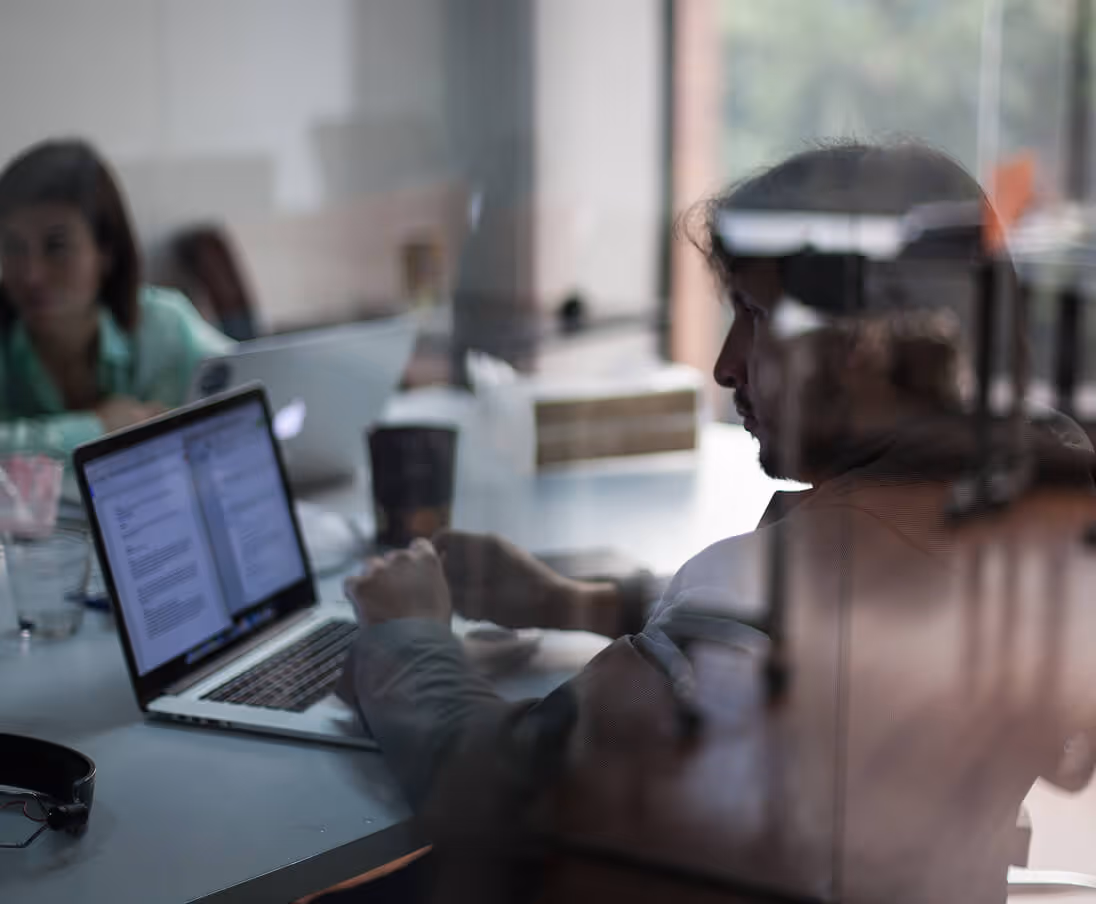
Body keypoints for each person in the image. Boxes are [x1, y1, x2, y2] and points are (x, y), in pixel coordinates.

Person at [338, 142, 1096, 904]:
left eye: (757, 317)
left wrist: (407, 637)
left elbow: (501, 789)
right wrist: (571, 601)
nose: (727, 365)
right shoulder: (1032, 509)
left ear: (860, 348)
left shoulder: (780, 587)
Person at [0, 139, 234, 455]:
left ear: (106, 250)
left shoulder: (163, 325)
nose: (31, 274)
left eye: (56, 247)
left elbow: (257, 388)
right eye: (13, 247)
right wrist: (97, 428)